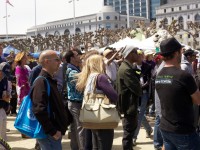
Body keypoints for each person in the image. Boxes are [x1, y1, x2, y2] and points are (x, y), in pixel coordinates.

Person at [155, 37, 200, 150]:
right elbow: (198, 100)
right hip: (183, 131)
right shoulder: (183, 76)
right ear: (177, 53)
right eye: (181, 51)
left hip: (166, 128)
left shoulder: (159, 75)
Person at [76, 54, 118, 150]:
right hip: (103, 117)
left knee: (96, 145)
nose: (104, 63)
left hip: (92, 116)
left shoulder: (89, 77)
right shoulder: (101, 77)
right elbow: (114, 95)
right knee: (105, 144)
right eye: (102, 61)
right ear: (98, 63)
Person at [31, 50, 69, 150]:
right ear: (47, 62)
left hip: (53, 132)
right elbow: (39, 109)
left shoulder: (49, 79)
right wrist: (52, 131)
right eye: (57, 60)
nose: (60, 62)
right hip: (49, 134)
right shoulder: (41, 81)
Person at [116, 45, 142, 150]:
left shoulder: (128, 66)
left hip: (129, 106)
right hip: (129, 106)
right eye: (136, 53)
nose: (138, 55)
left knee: (129, 133)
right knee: (128, 134)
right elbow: (137, 88)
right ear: (131, 54)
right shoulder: (126, 69)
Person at [65, 50, 85, 150]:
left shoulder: (75, 68)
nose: (80, 57)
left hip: (75, 103)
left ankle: (75, 147)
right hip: (75, 103)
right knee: (80, 128)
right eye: (77, 55)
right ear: (72, 58)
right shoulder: (72, 71)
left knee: (74, 128)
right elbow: (80, 86)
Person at [133, 50, 153, 145]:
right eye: (137, 55)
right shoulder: (132, 66)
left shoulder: (147, 66)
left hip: (144, 92)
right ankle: (148, 129)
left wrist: (144, 85)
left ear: (143, 56)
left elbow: (149, 80)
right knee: (138, 113)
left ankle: (134, 137)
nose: (138, 57)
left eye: (140, 55)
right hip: (135, 93)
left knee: (140, 113)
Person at [0, 63, 10, 141]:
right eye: (3, 73)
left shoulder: (5, 79)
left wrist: (7, 102)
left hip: (2, 107)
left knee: (3, 132)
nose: (3, 75)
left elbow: (6, 92)